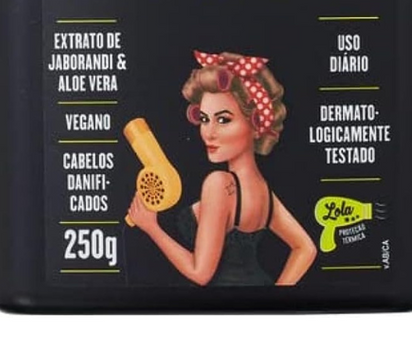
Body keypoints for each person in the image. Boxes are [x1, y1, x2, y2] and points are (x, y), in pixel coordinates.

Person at [127, 50, 317, 285]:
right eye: (204, 119)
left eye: (223, 120)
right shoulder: (264, 192)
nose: (208, 133)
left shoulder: (219, 183)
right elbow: (305, 248)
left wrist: (151, 227)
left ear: (256, 124)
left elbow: (200, 273)